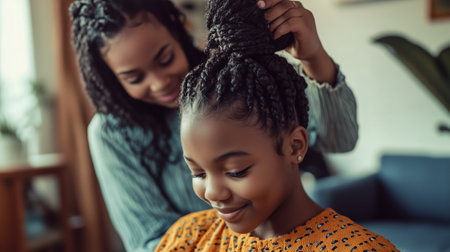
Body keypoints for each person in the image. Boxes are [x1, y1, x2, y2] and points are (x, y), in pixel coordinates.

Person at [69, 0, 358, 250]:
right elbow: (150, 241)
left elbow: (339, 139)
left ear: (180, 29)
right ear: (111, 79)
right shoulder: (111, 134)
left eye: (165, 59)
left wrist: (314, 57)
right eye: (134, 78)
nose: (159, 83)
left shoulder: (238, 82)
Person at [156, 1, 397, 251]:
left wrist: (314, 57)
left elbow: (340, 135)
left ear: (295, 146)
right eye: (198, 173)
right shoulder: (188, 237)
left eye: (236, 171)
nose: (213, 193)